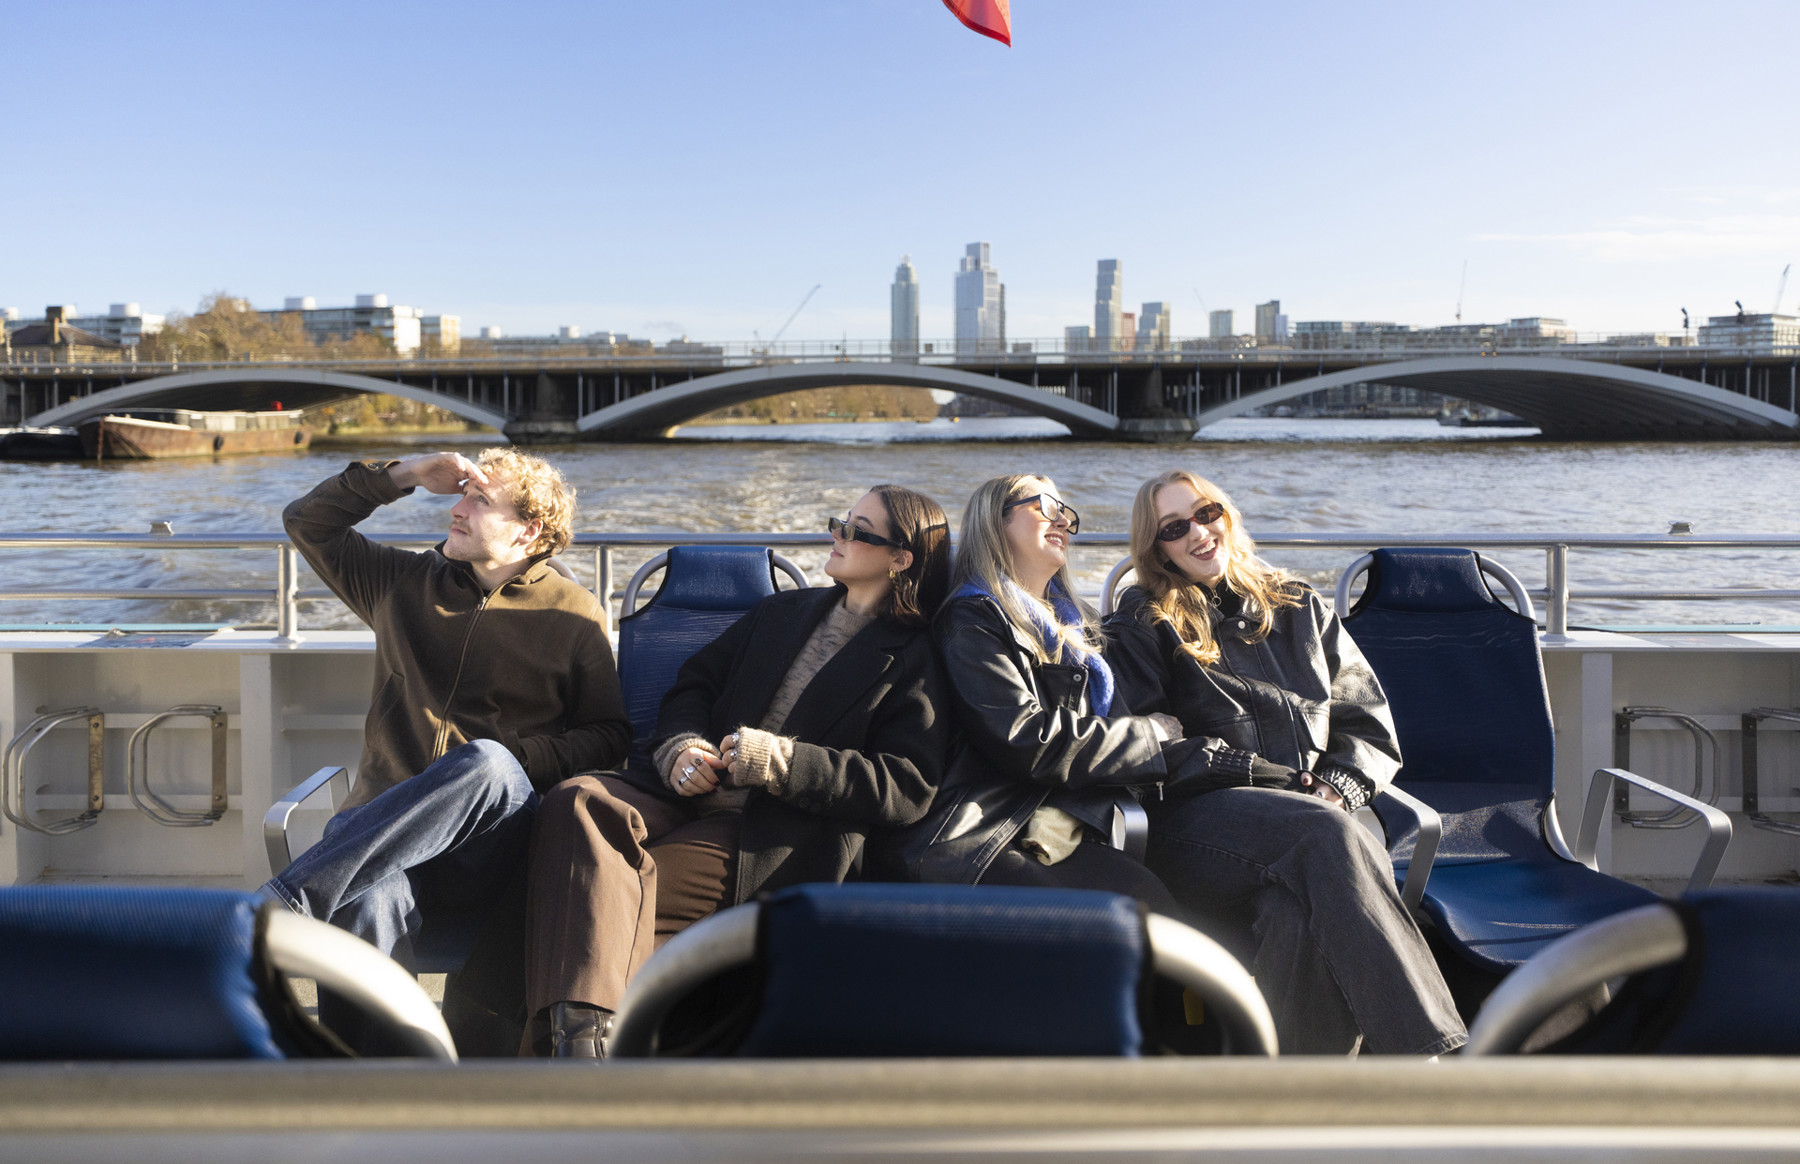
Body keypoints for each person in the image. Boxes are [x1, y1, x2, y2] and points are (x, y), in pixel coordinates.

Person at [525, 484, 952, 1058]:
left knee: (578, 902)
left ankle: (562, 1061)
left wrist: (781, 763)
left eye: (856, 531)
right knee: (576, 799)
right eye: (839, 521)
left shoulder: (917, 658)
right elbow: (694, 684)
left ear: (901, 558)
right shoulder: (783, 613)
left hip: (771, 830)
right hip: (688, 793)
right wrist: (681, 747)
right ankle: (582, 1058)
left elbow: (904, 786)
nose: (836, 535)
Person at [263, 450, 630, 1046]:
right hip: (384, 839)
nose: (456, 509)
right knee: (366, 900)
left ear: (529, 529)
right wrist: (404, 475)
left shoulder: (573, 614)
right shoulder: (400, 583)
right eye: (461, 495)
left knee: (488, 762)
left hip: (494, 848)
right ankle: (379, 1077)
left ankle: (285, 905)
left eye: (479, 501)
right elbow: (307, 522)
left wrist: (518, 757)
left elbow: (609, 736)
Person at [1102, 468, 1466, 1056]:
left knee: (1294, 914)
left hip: (1309, 822)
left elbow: (1367, 725)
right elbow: (1148, 749)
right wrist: (1265, 778)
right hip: (1198, 828)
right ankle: (1429, 1059)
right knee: (1325, 832)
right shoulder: (1143, 623)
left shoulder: (1299, 607)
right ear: (1158, 549)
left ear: (1227, 515)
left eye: (1207, 513)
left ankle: (1295, 1095)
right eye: (1174, 528)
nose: (1198, 533)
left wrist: (1336, 788)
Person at [894, 474, 1185, 914]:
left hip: (1057, 811)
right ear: (996, 521)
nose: (1063, 521)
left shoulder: (1077, 625)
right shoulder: (972, 620)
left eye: (1065, 513)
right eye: (1045, 507)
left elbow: (1114, 720)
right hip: (983, 832)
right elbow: (1024, 737)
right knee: (1144, 909)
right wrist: (1149, 735)